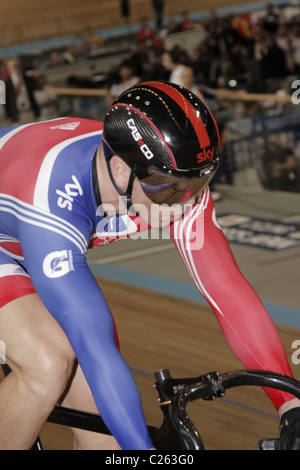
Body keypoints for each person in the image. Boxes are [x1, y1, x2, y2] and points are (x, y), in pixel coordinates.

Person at [0, 81, 299, 450]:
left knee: (106, 444)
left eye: (200, 182)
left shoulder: (171, 182)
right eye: (173, 189)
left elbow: (229, 294)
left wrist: (290, 404)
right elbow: (95, 345)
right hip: (21, 228)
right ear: (122, 172)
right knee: (47, 364)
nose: (186, 202)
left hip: (35, 239)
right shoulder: (50, 198)